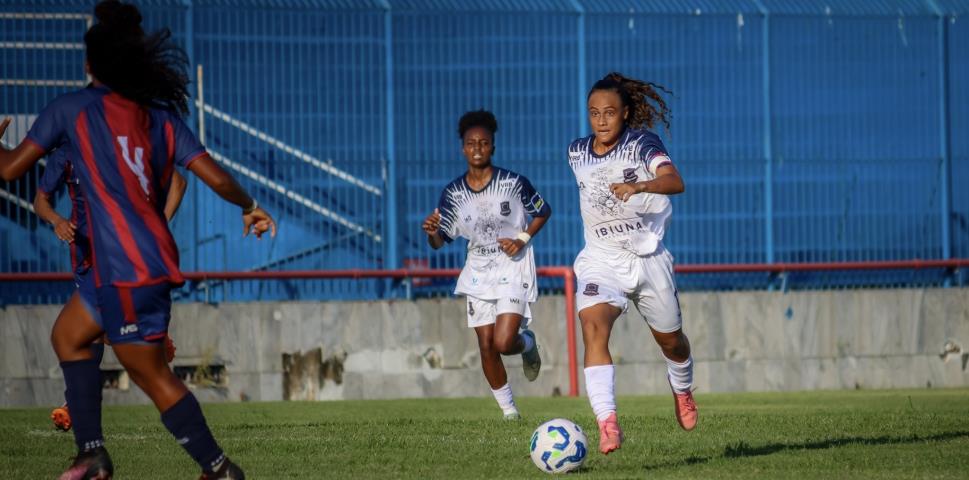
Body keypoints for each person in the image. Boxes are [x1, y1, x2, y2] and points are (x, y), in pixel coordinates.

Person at [0, 1, 276, 478]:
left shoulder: (71, 109)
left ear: (90, 64)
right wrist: (250, 206)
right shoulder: (160, 117)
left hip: (127, 267)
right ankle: (91, 454)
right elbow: (214, 177)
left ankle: (219, 468)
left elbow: (8, 170)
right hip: (134, 261)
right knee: (68, 335)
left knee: (150, 374)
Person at [567, 72, 695, 455]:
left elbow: (675, 181)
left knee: (672, 343)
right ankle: (607, 423)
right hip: (601, 260)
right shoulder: (576, 152)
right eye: (594, 113)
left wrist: (640, 186)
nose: (601, 120)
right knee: (592, 325)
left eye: (609, 112)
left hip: (648, 258)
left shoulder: (642, 143)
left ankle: (683, 387)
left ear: (625, 114)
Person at [34, 145, 185, 432]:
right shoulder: (64, 154)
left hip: (120, 248)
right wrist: (56, 221)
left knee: (93, 326)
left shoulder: (120, 143)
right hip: (83, 253)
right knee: (87, 331)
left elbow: (178, 182)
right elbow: (39, 200)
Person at [422, 109, 551, 420]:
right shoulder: (453, 194)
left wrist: (521, 238)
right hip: (478, 270)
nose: (477, 148)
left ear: (493, 146)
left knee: (505, 342)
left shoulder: (513, 182)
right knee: (486, 345)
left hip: (512, 263)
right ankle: (509, 412)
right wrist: (431, 234)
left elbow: (543, 211)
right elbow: (441, 240)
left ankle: (527, 344)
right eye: (471, 143)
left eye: (483, 142)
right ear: (462, 148)